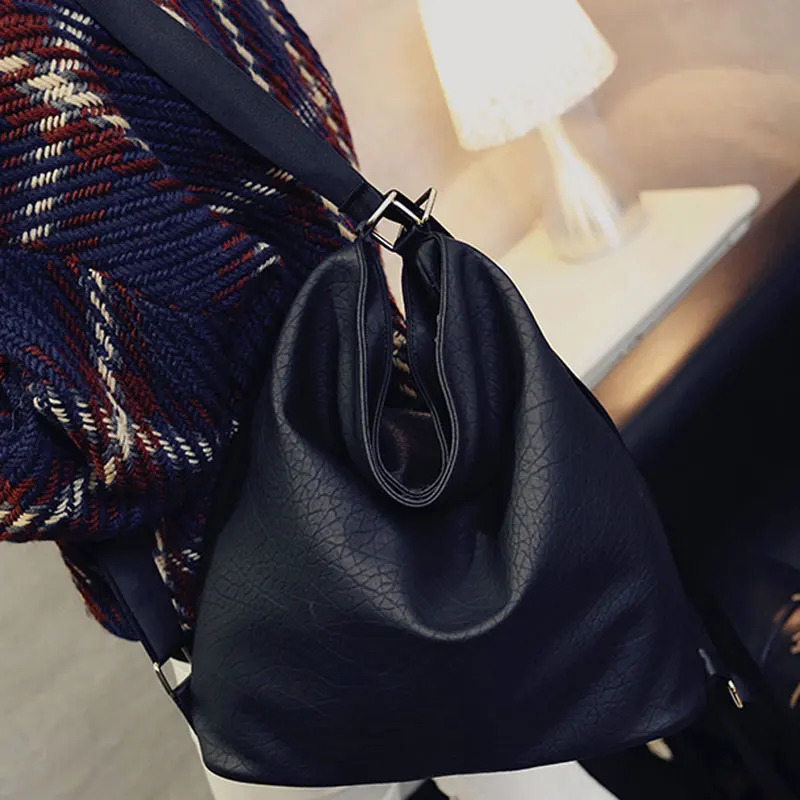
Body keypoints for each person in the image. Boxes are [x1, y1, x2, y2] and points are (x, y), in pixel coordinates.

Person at [0, 0, 615, 797]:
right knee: (529, 766)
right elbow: (307, 146)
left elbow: (157, 402)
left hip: (251, 597)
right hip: (395, 460)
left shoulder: (20, 55)